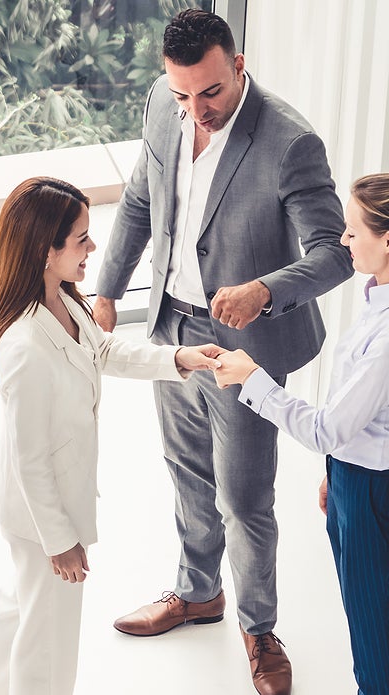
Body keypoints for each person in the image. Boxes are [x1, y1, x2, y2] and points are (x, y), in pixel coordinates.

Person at [89, 10, 353, 692]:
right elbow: (142, 202)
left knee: (244, 495)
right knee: (186, 473)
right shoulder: (160, 105)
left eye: (209, 92)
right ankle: (198, 590)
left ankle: (259, 628)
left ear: (238, 64)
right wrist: (108, 289)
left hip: (247, 346)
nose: (195, 109)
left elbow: (334, 255)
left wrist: (265, 290)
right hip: (171, 329)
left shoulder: (290, 141)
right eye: (182, 95)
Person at [0, 177, 221, 695]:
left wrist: (179, 358)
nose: (93, 248)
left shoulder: (63, 300)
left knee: (18, 610)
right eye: (81, 238)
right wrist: (60, 542)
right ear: (44, 249)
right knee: (48, 639)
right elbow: (29, 459)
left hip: (36, 505)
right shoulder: (25, 349)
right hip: (40, 514)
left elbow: (103, 351)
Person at [212, 173, 389, 695]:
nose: (343, 241)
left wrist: (253, 380)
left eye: (354, 232)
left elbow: (330, 428)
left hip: (372, 491)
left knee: (373, 633)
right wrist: (338, 472)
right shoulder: (376, 296)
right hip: (357, 478)